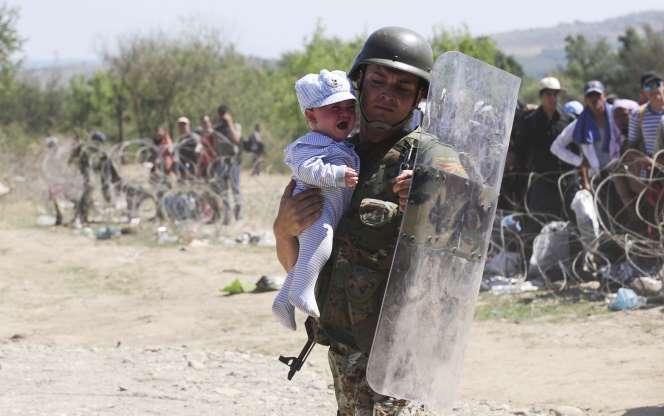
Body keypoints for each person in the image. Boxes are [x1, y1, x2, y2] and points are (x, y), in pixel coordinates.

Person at [273, 26, 462, 415]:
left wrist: (433, 194)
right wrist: (283, 228)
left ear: (418, 97)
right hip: (345, 343)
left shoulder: (432, 156)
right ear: (360, 81)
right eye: (378, 81)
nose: (388, 93)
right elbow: (296, 260)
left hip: (399, 350)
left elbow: (468, 231)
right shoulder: (333, 153)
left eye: (402, 87)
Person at [271, 69, 360, 330]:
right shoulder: (310, 145)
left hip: (328, 210)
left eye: (349, 106)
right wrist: (338, 174)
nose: (344, 113)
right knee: (320, 246)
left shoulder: (343, 144)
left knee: (307, 261)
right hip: (314, 211)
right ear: (311, 115)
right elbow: (306, 169)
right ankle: (302, 293)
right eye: (333, 108)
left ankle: (283, 300)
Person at [514, 76, 573, 220]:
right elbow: (521, 151)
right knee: (538, 220)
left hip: (563, 180)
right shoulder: (530, 122)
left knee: (564, 219)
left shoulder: (567, 120)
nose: (553, 98)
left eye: (555, 94)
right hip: (540, 180)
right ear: (541, 96)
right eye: (548, 94)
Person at [215, 105, 243, 221]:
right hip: (221, 161)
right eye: (221, 115)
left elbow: (236, 139)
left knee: (235, 188)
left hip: (233, 161)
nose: (223, 117)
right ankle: (226, 216)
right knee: (223, 190)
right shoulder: (217, 128)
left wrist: (229, 123)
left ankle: (238, 214)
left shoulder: (235, 126)